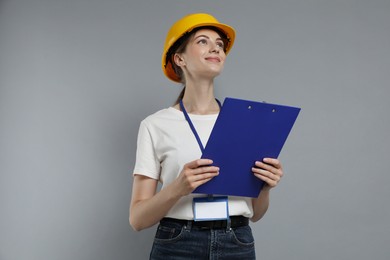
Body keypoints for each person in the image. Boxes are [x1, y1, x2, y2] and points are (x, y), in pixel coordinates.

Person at [129, 13, 283, 259]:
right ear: (179, 58)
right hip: (177, 243)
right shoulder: (155, 125)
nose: (215, 48)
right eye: (202, 41)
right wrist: (177, 188)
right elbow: (137, 219)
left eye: (220, 44)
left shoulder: (247, 122)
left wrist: (265, 188)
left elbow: (256, 213)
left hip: (237, 241)